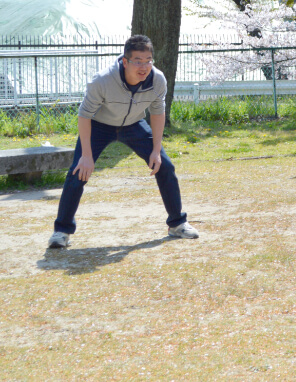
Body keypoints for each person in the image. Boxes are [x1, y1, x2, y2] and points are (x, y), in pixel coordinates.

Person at [48, 35, 198, 248]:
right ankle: (61, 231)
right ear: (125, 61)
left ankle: (177, 224)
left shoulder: (158, 80)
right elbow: (84, 116)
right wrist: (87, 156)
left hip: (134, 125)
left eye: (148, 60)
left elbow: (157, 113)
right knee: (78, 171)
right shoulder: (102, 80)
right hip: (99, 126)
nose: (144, 66)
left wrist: (156, 150)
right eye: (138, 60)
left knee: (165, 165)